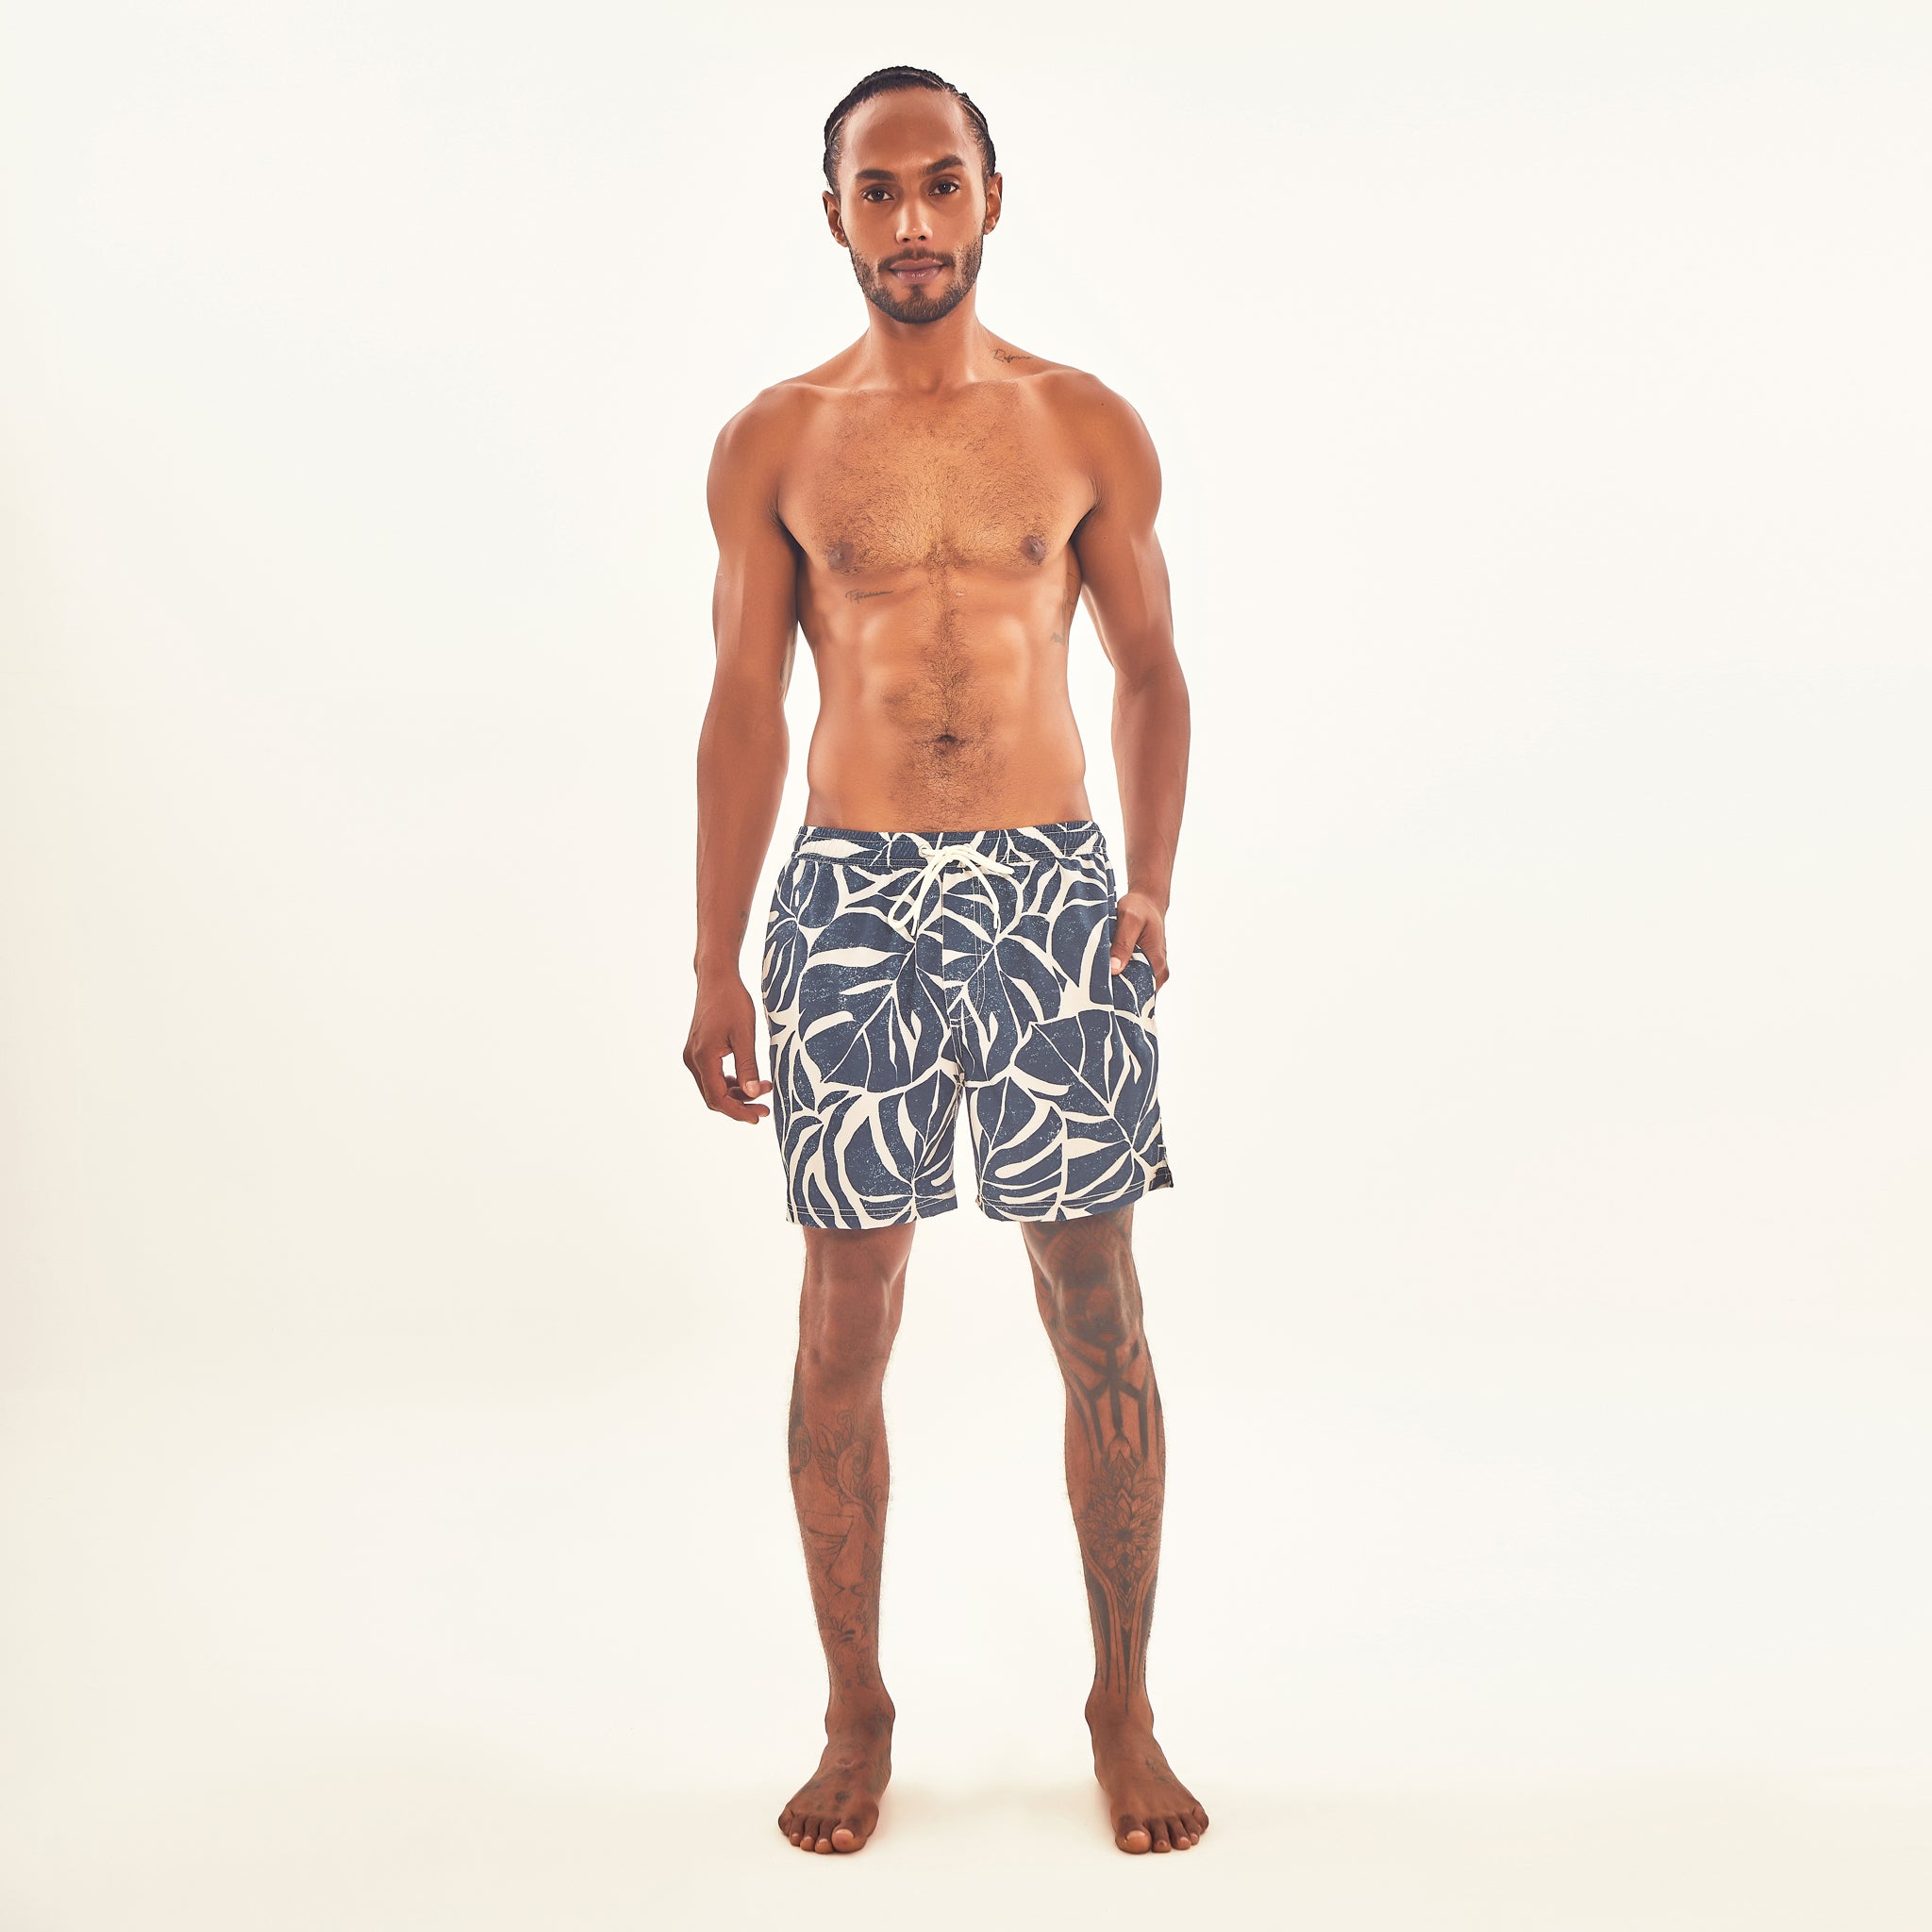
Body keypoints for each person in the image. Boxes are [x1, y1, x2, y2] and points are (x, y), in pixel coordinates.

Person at [684, 65, 1202, 1858]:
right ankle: (857, 1718)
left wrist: (1149, 881)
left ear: (991, 195)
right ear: (835, 212)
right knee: (845, 1319)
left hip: (1054, 898)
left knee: (1097, 1304)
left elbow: (1151, 668)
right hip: (849, 907)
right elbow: (744, 705)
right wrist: (716, 957)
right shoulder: (773, 442)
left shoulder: (1083, 424)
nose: (913, 220)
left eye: (941, 183)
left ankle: (1122, 1710)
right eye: (879, 189)